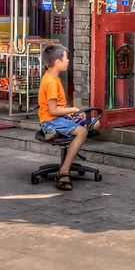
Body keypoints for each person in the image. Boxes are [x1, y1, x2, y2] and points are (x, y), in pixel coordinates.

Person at [38, 44, 100, 191]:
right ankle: (64, 171)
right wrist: (74, 109)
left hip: (59, 119)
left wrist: (68, 113)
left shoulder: (53, 78)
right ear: (58, 62)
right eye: (66, 58)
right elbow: (52, 110)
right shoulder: (51, 82)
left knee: (95, 124)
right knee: (82, 132)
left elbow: (56, 107)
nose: (68, 61)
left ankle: (58, 133)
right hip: (51, 121)